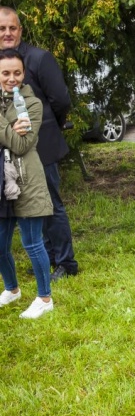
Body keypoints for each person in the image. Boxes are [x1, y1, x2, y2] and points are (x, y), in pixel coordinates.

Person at [0, 6, 78, 281]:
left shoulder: (39, 58)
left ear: (20, 30)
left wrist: (47, 127)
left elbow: (61, 100)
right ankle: (45, 258)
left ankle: (65, 263)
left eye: (12, 28)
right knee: (28, 207)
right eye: (1, 29)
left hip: (41, 146)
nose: (7, 33)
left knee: (50, 205)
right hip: (8, 151)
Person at [0, 49, 54, 319]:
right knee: (0, 245)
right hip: (3, 182)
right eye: (5, 73)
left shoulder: (32, 104)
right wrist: (9, 129)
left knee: (32, 243)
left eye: (17, 73)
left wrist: (6, 130)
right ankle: (12, 289)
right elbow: (11, 137)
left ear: (24, 74)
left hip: (28, 180)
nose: (12, 78)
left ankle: (45, 298)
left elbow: (21, 144)